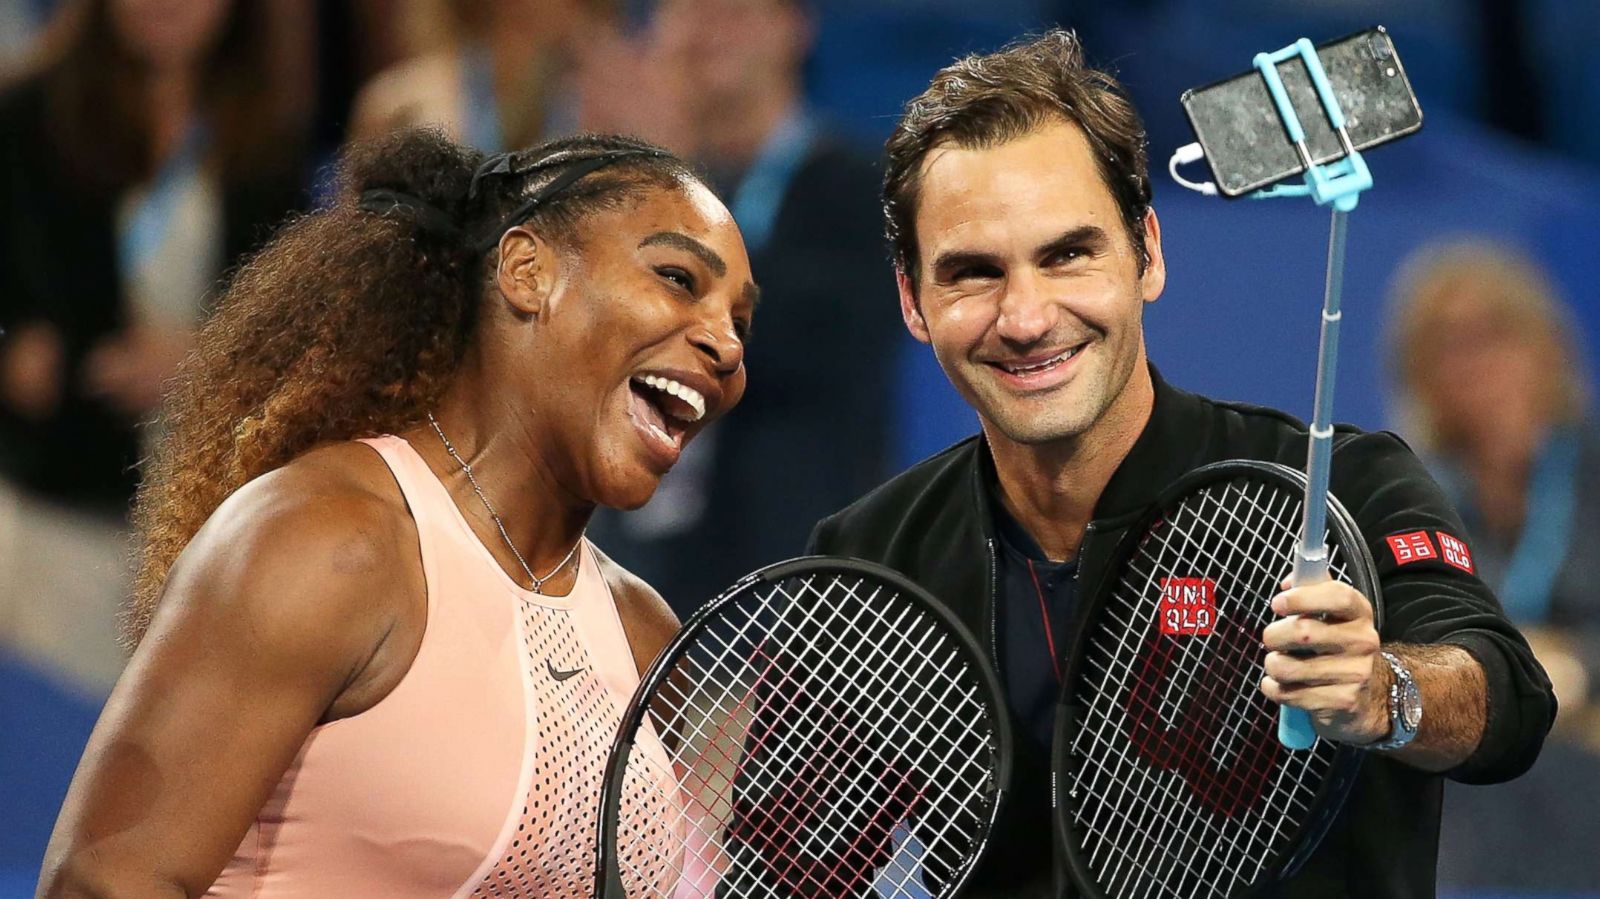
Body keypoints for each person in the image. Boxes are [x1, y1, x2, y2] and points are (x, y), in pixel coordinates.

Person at [806, 31, 1555, 898]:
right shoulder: (862, 564)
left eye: (1067, 254)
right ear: (912, 300)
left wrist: (1383, 691)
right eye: (973, 273)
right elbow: (786, 860)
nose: (1025, 316)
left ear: (1147, 254)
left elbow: (1505, 697)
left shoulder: (1345, 485)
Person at [37, 127, 757, 897]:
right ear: (527, 271)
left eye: (742, 324)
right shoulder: (329, 536)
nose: (725, 344)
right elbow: (104, 880)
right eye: (680, 278)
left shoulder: (643, 634)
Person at [0, 0, 310, 692]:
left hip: (206, 534)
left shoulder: (268, 135)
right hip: (61, 514)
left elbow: (296, 331)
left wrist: (199, 359)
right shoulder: (26, 113)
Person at [589, 0, 901, 614]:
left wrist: (664, 182)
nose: (707, 25)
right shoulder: (613, 196)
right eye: (686, 10)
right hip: (626, 577)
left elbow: (792, 339)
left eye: (734, 9)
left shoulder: (864, 187)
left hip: (794, 601)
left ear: (796, 28)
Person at [1389, 239, 1600, 731]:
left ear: (1549, 346)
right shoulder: (1406, 492)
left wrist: (1577, 669)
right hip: (1472, 735)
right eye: (1445, 343)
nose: (1474, 362)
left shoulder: (1589, 466)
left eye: (1494, 333)